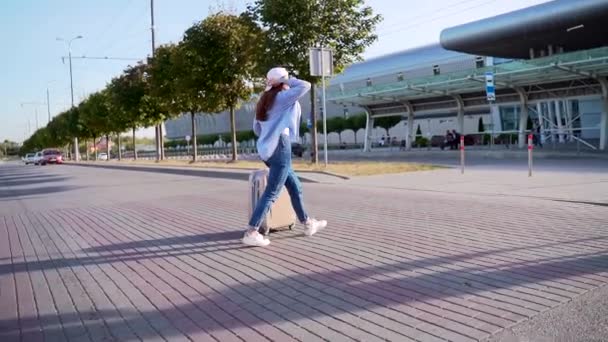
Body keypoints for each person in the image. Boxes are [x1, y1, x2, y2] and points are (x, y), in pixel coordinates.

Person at [243, 67, 327, 247]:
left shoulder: (264, 100)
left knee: (294, 185)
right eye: (286, 80)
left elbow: (256, 129)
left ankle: (307, 223)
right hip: (280, 145)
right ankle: (251, 231)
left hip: (267, 149)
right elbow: (305, 85)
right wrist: (285, 81)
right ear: (282, 81)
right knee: (272, 191)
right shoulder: (282, 97)